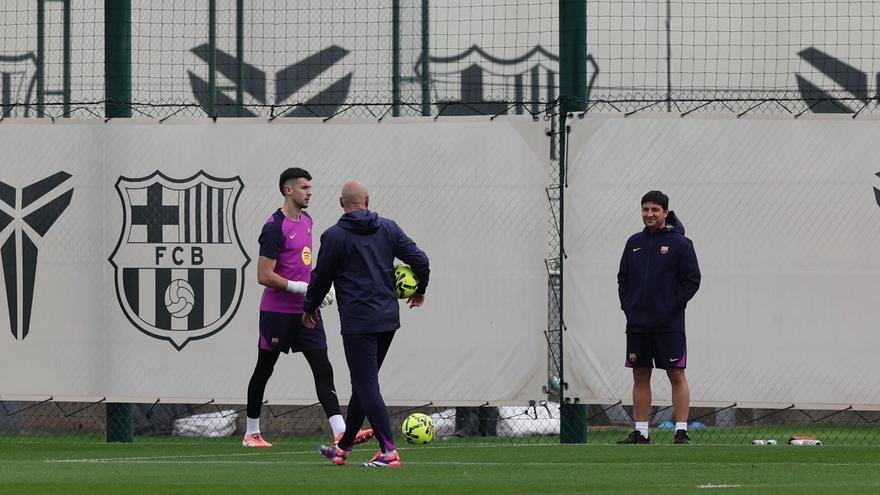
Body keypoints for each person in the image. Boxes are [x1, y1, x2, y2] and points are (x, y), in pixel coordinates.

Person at [302, 180, 429, 468]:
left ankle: (389, 451)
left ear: (340, 203)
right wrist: (420, 288)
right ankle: (343, 447)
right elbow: (421, 260)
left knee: (366, 384)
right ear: (367, 200)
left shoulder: (334, 236)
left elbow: (321, 277)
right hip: (386, 320)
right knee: (362, 384)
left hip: (358, 322)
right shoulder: (388, 228)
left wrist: (309, 307)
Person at [242, 168, 372, 448]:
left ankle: (340, 432)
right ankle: (251, 433)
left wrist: (320, 287)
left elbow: (304, 267)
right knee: (264, 369)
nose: (309, 192)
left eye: (310, 187)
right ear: (288, 190)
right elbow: (264, 275)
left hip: (306, 312)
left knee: (323, 368)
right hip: (277, 313)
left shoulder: (309, 221)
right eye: (304, 187)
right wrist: (303, 288)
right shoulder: (274, 227)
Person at [616, 190, 701, 445]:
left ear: (665, 212)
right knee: (640, 374)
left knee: (676, 373)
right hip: (638, 324)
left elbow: (692, 280)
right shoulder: (633, 243)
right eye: (645, 210)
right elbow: (623, 278)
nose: (649, 214)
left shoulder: (681, 244)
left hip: (669, 324)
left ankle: (681, 431)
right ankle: (642, 432)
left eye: (654, 210)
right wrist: (628, 306)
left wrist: (671, 305)